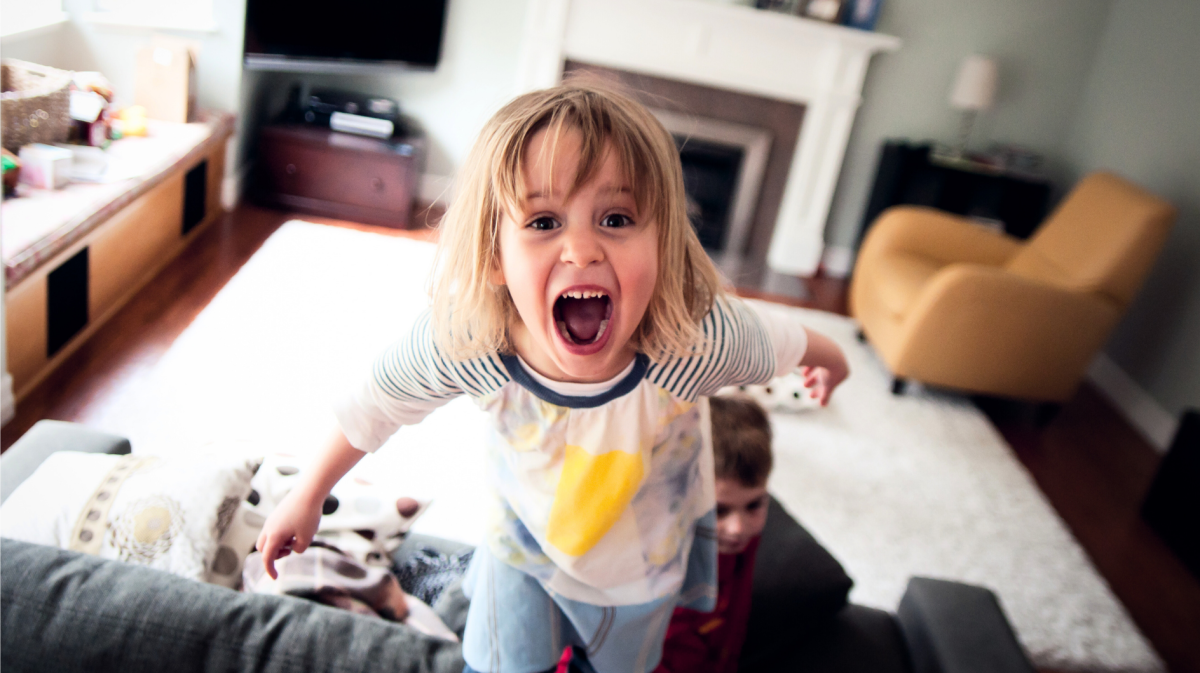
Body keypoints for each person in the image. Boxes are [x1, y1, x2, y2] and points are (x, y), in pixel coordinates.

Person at [256, 80, 849, 673]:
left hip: (641, 572)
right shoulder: (468, 342)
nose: (582, 249)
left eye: (616, 218)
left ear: (663, 244)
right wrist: (308, 494)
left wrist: (832, 360)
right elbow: (373, 405)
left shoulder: (693, 342)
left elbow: (784, 340)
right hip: (523, 553)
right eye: (543, 222)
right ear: (494, 254)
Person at [653, 394, 775, 673]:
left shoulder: (742, 539)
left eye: (754, 505)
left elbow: (736, 616)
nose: (738, 529)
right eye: (719, 511)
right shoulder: (655, 554)